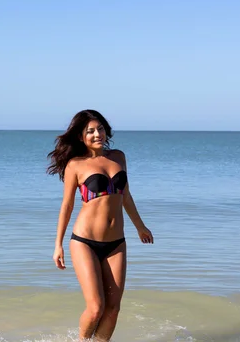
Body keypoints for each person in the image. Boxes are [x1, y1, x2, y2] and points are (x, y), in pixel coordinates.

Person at [47, 109, 153, 341]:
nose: (98, 134)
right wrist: (58, 245)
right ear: (81, 137)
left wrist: (140, 226)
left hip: (116, 242)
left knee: (113, 309)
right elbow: (66, 206)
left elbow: (125, 195)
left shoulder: (118, 157)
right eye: (90, 131)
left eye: (101, 129)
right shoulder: (75, 164)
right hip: (85, 242)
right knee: (96, 308)